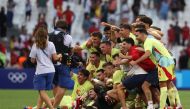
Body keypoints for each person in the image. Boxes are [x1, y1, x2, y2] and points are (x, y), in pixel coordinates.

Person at [130, 27, 179, 109]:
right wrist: (143, 50)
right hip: (169, 60)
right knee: (168, 84)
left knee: (163, 85)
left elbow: (148, 53)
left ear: (142, 34)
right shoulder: (151, 39)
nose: (136, 37)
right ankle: (174, 105)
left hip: (164, 62)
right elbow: (154, 49)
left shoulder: (147, 41)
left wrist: (136, 61)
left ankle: (163, 107)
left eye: (137, 35)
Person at [29, 26, 62, 109]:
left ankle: (51, 108)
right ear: (46, 35)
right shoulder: (51, 44)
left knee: (41, 91)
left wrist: (37, 58)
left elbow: (32, 61)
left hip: (40, 71)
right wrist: (60, 55)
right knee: (42, 92)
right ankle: (38, 108)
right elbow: (55, 58)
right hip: (51, 71)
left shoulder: (35, 45)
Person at [49, 19, 73, 108]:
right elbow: (70, 53)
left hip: (51, 63)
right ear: (65, 28)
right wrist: (69, 65)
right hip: (63, 63)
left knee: (55, 85)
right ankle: (54, 107)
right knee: (63, 86)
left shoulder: (49, 35)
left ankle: (55, 105)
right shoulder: (68, 37)